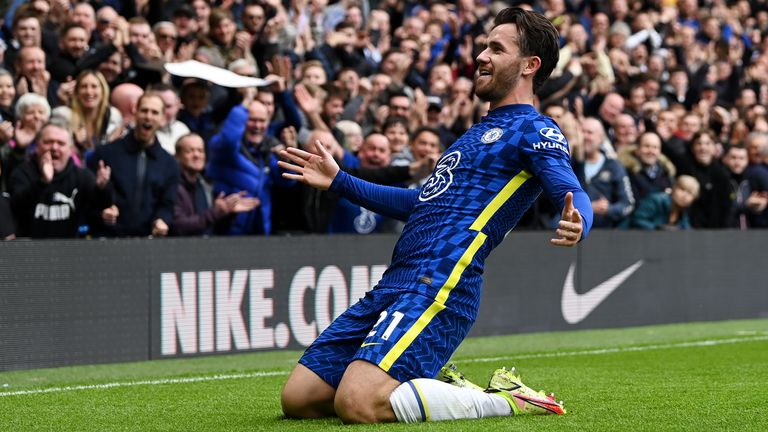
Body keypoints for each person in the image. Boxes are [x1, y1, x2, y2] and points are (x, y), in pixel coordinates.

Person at [278, 8, 592, 424]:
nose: (481, 55)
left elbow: (571, 191)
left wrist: (580, 219)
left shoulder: (536, 129)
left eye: (496, 49)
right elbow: (422, 203)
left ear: (529, 65)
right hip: (399, 279)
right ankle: (435, 386)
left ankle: (508, 399)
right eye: (484, 45)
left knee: (357, 403)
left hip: (443, 281)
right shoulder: (474, 132)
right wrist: (341, 182)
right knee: (299, 399)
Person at [87, 93, 179, 237]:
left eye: (154, 112)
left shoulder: (169, 163)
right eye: (144, 110)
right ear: (135, 112)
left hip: (147, 243)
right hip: (108, 238)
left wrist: (161, 221)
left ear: (162, 118)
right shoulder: (106, 153)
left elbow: (167, 204)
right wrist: (102, 212)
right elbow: (88, 199)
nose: (148, 116)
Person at [8, 121, 112, 238]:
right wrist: (43, 182)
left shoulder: (82, 176)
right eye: (48, 142)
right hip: (28, 251)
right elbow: (16, 207)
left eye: (61, 143)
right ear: (37, 146)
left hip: (67, 251)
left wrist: (102, 188)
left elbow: (100, 207)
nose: (54, 147)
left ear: (70, 150)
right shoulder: (22, 172)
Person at [171, 133, 259, 236]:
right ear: (177, 156)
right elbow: (178, 227)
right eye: (190, 151)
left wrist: (227, 212)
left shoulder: (206, 185)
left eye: (200, 150)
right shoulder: (171, 186)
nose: (197, 155)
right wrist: (215, 213)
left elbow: (211, 227)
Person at [625, 175, 700, 230]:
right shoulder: (656, 200)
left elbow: (687, 231)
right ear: (674, 188)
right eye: (682, 189)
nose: (684, 195)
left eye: (690, 193)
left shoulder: (683, 213)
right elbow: (637, 219)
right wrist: (658, 229)